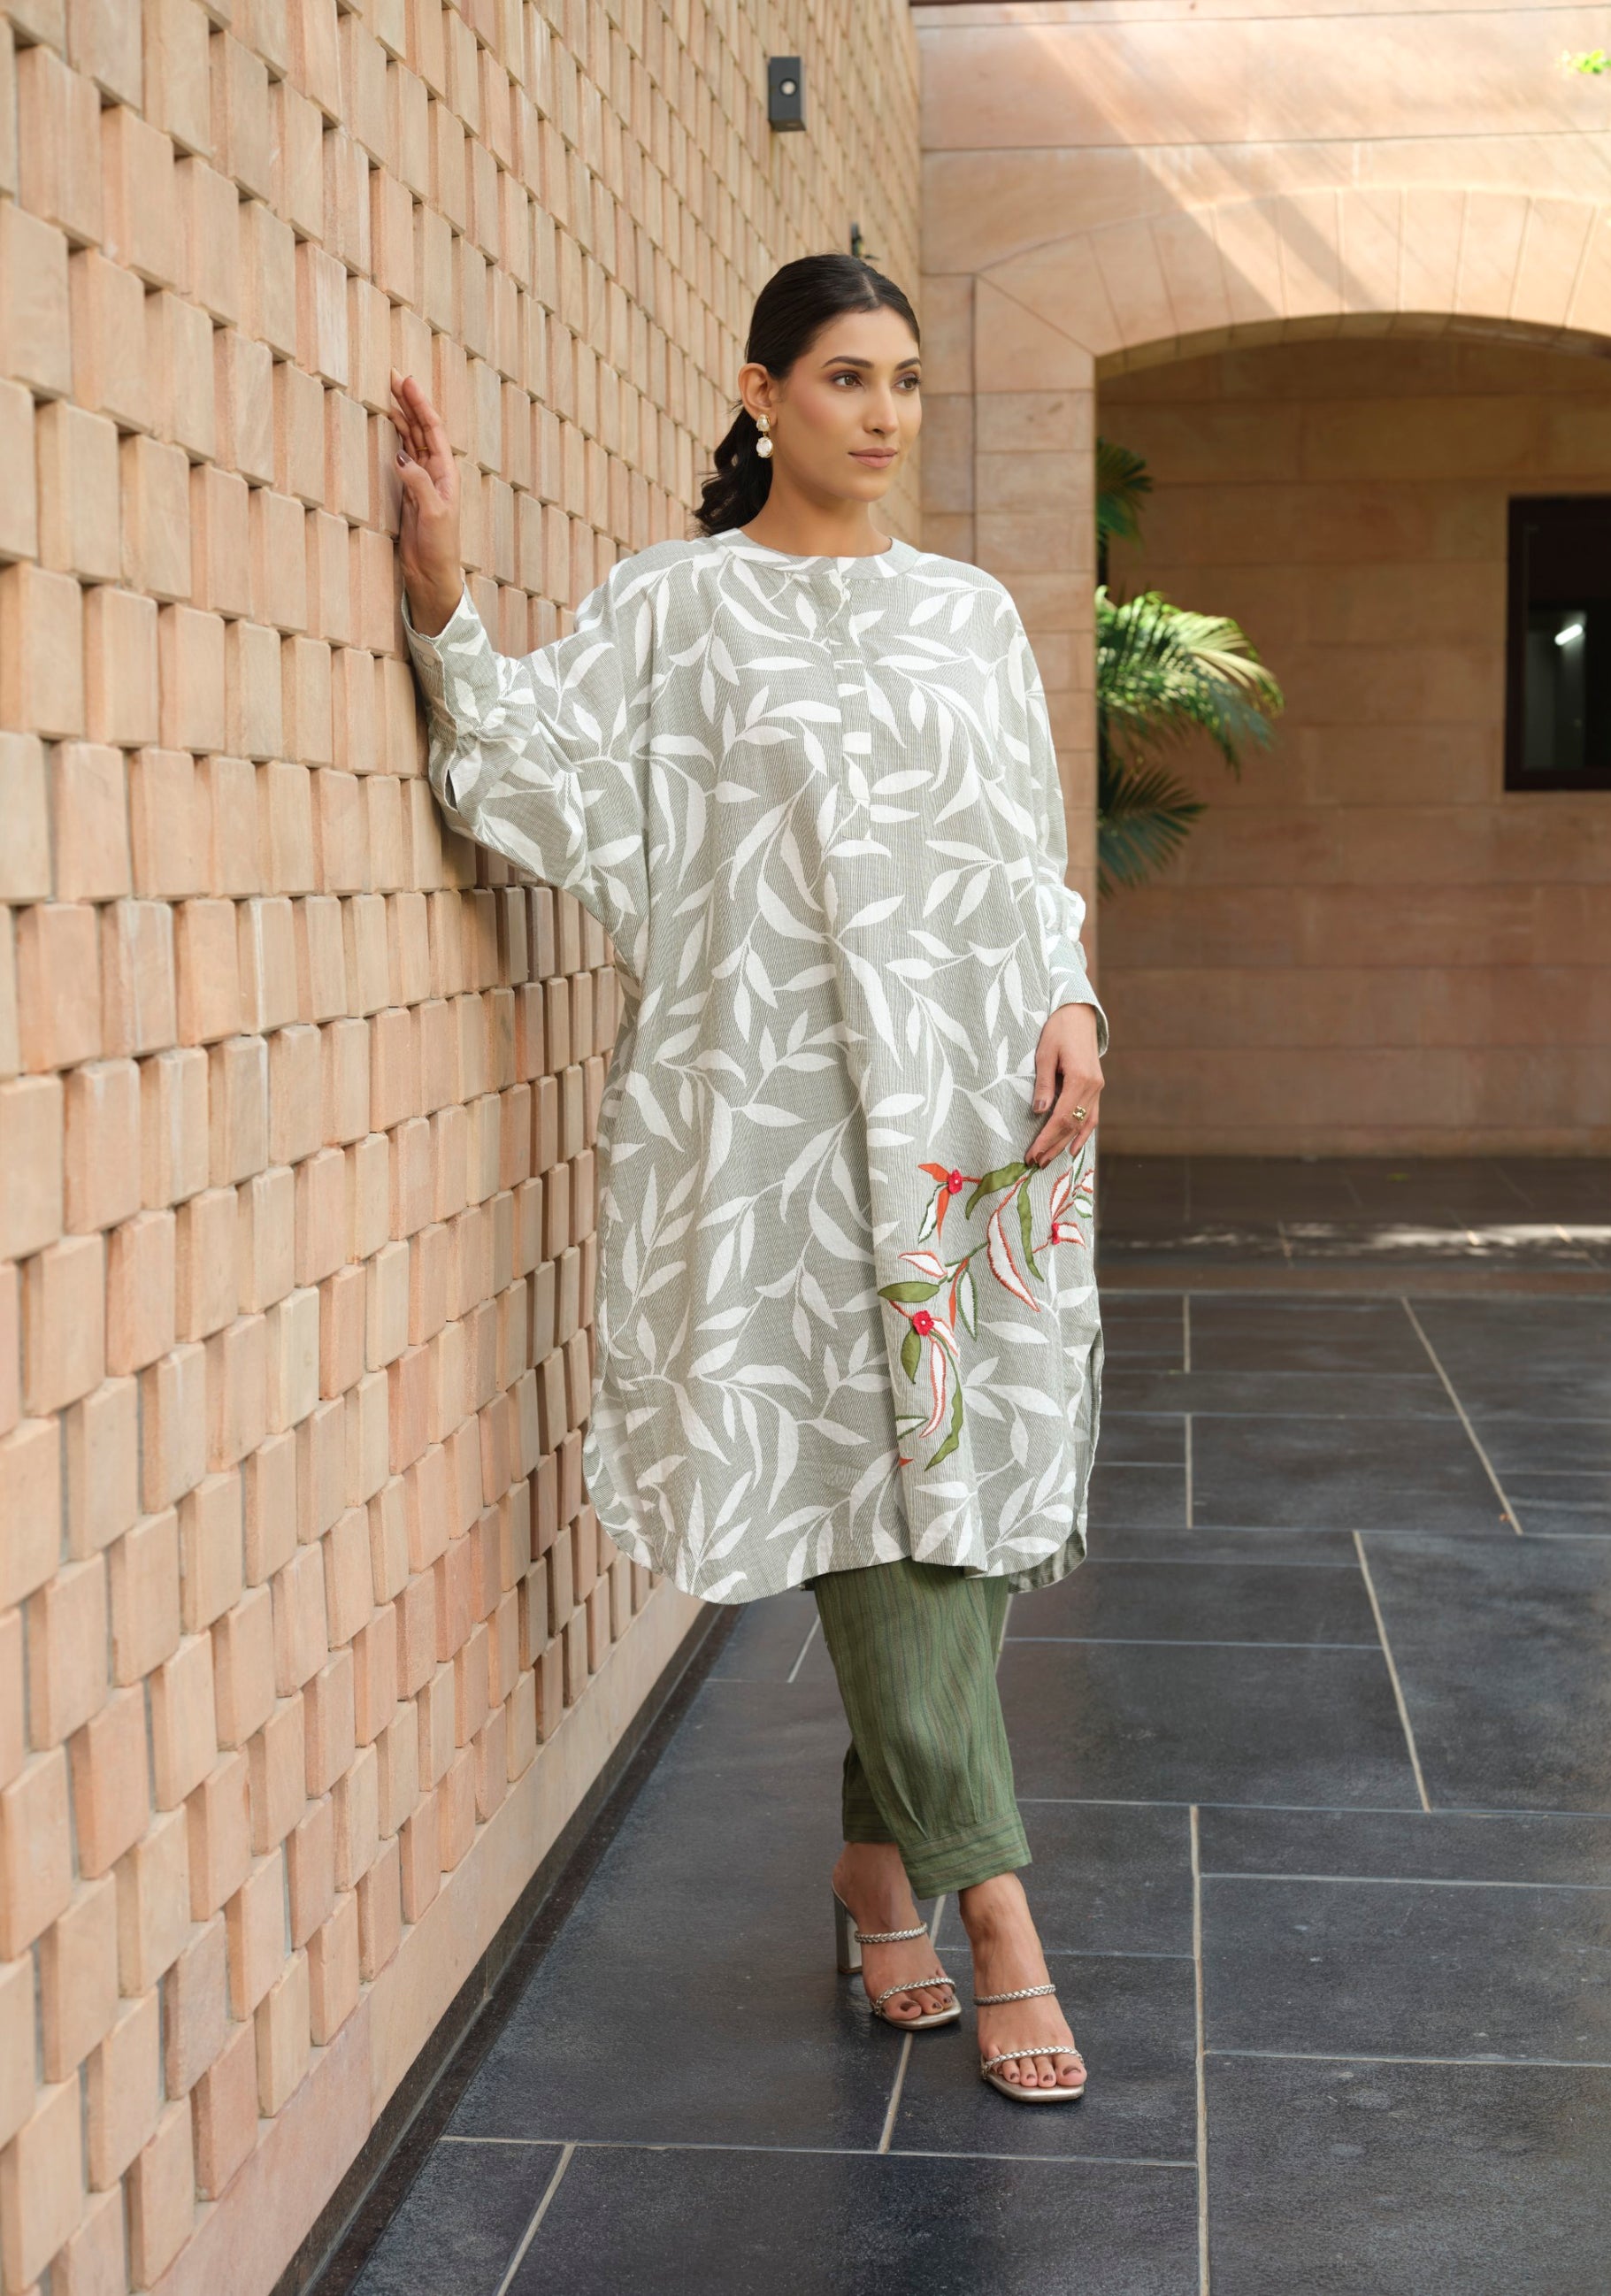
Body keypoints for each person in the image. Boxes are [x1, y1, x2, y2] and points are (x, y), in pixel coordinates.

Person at [388, 252, 1106, 2102]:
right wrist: (445, 595)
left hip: (970, 1117)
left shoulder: (965, 614)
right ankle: (997, 1912)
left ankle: (876, 1871)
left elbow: (1025, 852)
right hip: (773, 1129)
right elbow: (536, 779)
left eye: (905, 380)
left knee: (947, 1499)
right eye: (847, 376)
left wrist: (1071, 1005)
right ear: (761, 391)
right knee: (877, 1495)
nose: (883, 413)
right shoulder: (678, 606)